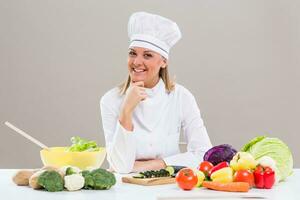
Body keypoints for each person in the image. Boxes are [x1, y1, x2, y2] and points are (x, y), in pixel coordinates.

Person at [100, 12, 212, 173]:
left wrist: (153, 165)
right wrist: (126, 110)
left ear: (164, 61)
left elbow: (204, 154)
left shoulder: (181, 97)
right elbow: (121, 166)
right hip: (125, 189)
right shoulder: (111, 100)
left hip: (171, 184)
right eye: (132, 53)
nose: (137, 62)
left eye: (147, 55)